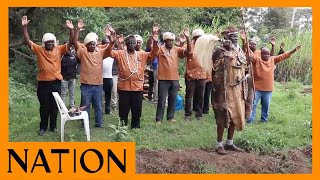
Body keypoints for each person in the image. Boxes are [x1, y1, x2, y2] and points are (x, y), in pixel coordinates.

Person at [196, 25, 250, 155]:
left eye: (236, 36)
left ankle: (230, 142)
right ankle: (219, 144)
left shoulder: (239, 51)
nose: (235, 38)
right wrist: (225, 51)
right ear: (226, 37)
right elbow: (214, 67)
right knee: (222, 116)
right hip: (224, 91)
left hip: (238, 91)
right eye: (232, 36)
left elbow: (245, 65)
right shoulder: (219, 50)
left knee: (235, 117)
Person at [21, 15, 74, 135]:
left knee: (54, 107)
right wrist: (24, 28)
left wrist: (71, 29)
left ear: (54, 43)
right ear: (44, 43)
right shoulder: (39, 50)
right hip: (43, 84)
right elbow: (27, 41)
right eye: (47, 42)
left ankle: (53, 126)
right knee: (44, 107)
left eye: (52, 42)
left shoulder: (59, 49)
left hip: (56, 83)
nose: (50, 43)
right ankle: (43, 127)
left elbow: (71, 42)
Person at [105, 27, 159, 129]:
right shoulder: (120, 53)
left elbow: (154, 54)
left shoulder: (142, 54)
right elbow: (108, 53)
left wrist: (155, 42)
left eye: (134, 43)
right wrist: (112, 43)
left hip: (137, 88)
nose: (133, 45)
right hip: (124, 88)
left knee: (137, 109)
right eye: (130, 43)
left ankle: (135, 127)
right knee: (123, 110)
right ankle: (122, 127)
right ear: (126, 44)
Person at [246, 45, 301, 123]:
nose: (267, 56)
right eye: (265, 54)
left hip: (268, 88)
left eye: (268, 54)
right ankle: (250, 119)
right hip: (257, 88)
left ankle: (264, 120)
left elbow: (283, 56)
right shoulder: (256, 60)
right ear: (261, 54)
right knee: (253, 104)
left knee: (266, 105)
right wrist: (245, 42)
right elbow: (249, 53)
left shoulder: (272, 60)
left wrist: (294, 50)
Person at [73, 19, 109, 128]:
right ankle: (85, 123)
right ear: (87, 45)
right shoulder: (83, 52)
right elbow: (75, 42)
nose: (93, 46)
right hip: (86, 85)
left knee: (98, 105)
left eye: (94, 44)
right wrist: (78, 29)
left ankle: (99, 123)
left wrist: (112, 38)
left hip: (98, 84)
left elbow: (110, 47)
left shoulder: (101, 52)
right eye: (91, 44)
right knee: (85, 105)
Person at [153, 24, 190, 124]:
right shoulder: (160, 49)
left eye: (172, 40)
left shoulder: (176, 49)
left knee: (172, 99)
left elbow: (188, 52)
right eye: (169, 40)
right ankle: (159, 119)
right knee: (161, 99)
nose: (171, 42)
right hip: (163, 79)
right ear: (165, 41)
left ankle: (170, 117)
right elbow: (152, 50)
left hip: (175, 79)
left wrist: (187, 39)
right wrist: (154, 35)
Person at [184, 28, 208, 121]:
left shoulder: (205, 47)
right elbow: (189, 52)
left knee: (201, 96)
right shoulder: (189, 45)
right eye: (197, 37)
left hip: (202, 75)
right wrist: (187, 38)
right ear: (193, 38)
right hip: (191, 75)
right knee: (189, 95)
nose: (198, 39)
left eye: (200, 37)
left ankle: (199, 114)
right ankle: (188, 114)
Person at [61, 44, 78, 108]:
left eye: (69, 48)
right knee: (63, 93)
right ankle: (62, 106)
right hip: (64, 78)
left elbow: (77, 65)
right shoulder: (61, 56)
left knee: (72, 93)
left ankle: (72, 105)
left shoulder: (74, 56)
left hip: (72, 77)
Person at [101, 37, 114, 114]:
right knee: (100, 95)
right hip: (100, 78)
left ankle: (107, 109)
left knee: (108, 94)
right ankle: (100, 109)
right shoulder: (100, 54)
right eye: (105, 43)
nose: (106, 45)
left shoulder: (111, 54)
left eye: (108, 43)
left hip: (109, 77)